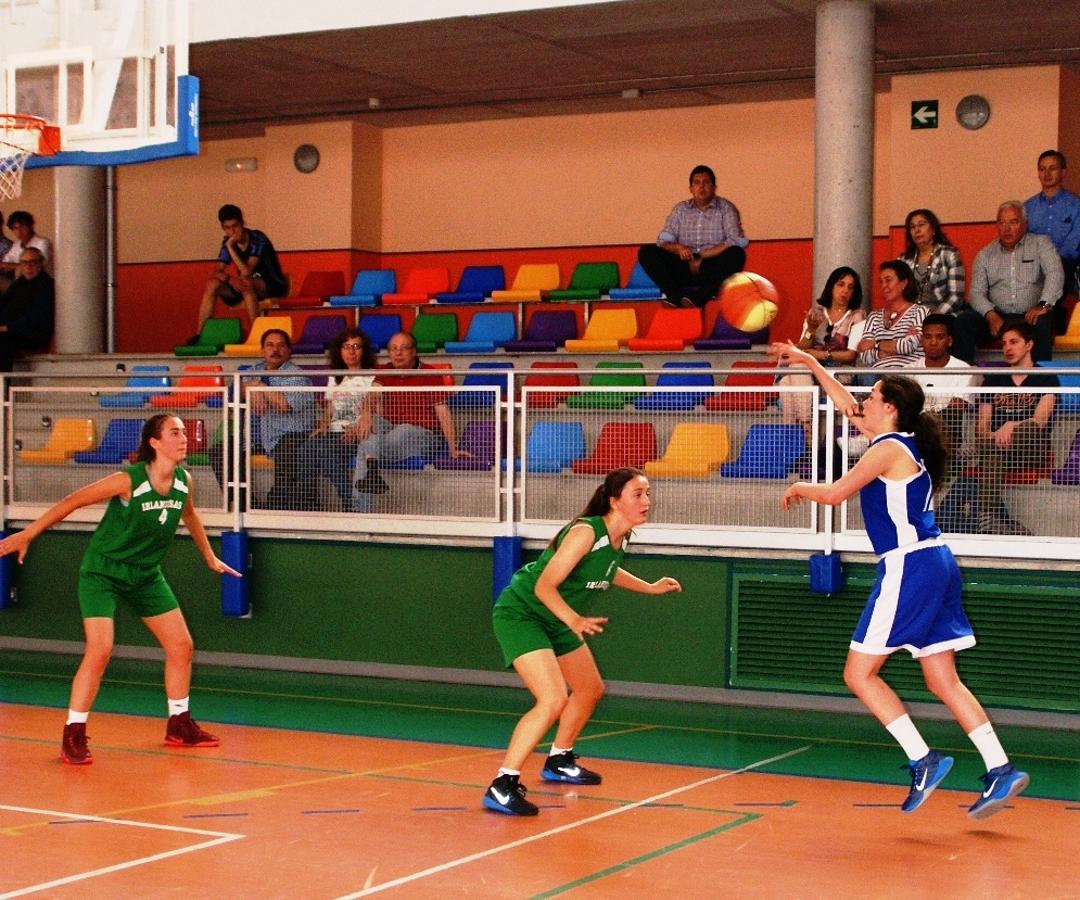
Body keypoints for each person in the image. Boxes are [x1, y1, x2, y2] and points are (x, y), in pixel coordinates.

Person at [772, 342, 1029, 820]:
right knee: (942, 678)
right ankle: (1000, 768)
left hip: (908, 565)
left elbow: (834, 494)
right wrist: (808, 362)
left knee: (858, 673)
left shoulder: (887, 450)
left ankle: (923, 759)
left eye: (871, 396)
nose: (862, 401)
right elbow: (840, 399)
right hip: (936, 562)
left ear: (889, 408)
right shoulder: (895, 442)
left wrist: (799, 486)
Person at [0, 414, 241, 764]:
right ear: (155, 443)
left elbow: (189, 515)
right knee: (100, 650)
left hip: (144, 574)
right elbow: (73, 501)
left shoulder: (184, 481)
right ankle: (73, 733)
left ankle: (179, 723)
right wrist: (28, 533)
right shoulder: (127, 480)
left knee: (181, 646)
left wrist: (209, 556)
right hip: (103, 571)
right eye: (175, 433)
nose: (184, 438)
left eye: (185, 433)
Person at [483, 468, 682, 816]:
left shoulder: (622, 536)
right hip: (524, 613)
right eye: (638, 494)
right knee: (552, 699)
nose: (647, 501)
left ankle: (559, 759)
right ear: (614, 501)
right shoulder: (586, 531)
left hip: (559, 616)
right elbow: (545, 586)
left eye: (648, 493)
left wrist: (649, 587)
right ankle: (503, 784)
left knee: (590, 689)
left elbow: (606, 569)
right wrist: (573, 619)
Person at [352, 332, 470, 512]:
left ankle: (370, 464)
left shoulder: (430, 374)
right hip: (390, 431)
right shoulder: (384, 372)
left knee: (389, 436)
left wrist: (452, 448)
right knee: (371, 424)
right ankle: (362, 510)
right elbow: (372, 396)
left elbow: (443, 412)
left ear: (414, 351)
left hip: (424, 435)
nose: (398, 353)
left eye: (403, 348)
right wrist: (367, 414)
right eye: (393, 349)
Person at [209, 328, 315, 510]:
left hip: (290, 435)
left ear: (289, 351)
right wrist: (252, 386)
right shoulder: (254, 371)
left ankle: (276, 506)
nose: (275, 350)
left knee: (288, 451)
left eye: (281, 346)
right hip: (255, 437)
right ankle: (243, 505)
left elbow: (284, 407)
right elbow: (231, 394)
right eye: (270, 345)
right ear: (262, 350)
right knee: (220, 451)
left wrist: (260, 388)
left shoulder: (297, 376)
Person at [973, 319, 1057, 535]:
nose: (1007, 348)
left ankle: (992, 519)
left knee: (1028, 430)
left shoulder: (1046, 378)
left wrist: (1011, 425)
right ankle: (989, 521)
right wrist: (993, 435)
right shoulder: (993, 380)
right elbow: (982, 427)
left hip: (1031, 448)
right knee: (990, 449)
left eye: (1014, 342)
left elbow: (1040, 420)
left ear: (1029, 345)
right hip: (997, 449)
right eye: (1003, 343)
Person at [953, 201, 1063, 364]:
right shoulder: (985, 254)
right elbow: (976, 293)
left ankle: (1041, 380)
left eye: (1013, 222)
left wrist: (1043, 305)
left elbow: (1055, 274)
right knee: (963, 322)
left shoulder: (1041, 244)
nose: (1007, 228)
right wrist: (990, 315)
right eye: (1002, 223)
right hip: (999, 315)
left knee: (1042, 321)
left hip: (1030, 314)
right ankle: (962, 380)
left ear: (1025, 224)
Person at [637, 164, 748, 308]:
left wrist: (703, 255)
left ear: (714, 187)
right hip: (683, 265)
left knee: (736, 254)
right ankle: (675, 297)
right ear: (690, 189)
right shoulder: (681, 209)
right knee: (647, 251)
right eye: (697, 183)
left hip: (710, 266)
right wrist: (678, 248)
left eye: (706, 182)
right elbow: (663, 241)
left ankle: (697, 299)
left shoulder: (726, 208)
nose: (701, 187)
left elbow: (735, 240)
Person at [778, 266, 865, 435]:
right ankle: (803, 435)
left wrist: (821, 354)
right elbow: (801, 349)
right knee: (787, 380)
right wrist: (810, 329)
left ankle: (804, 434)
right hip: (809, 372)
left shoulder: (857, 315)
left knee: (793, 375)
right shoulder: (816, 314)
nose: (845, 291)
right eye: (841, 285)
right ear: (831, 287)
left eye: (850, 287)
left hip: (838, 375)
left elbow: (850, 355)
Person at [300, 327, 377, 510]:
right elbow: (329, 408)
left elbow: (375, 410)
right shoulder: (335, 378)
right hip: (332, 431)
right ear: (339, 350)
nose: (351, 351)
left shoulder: (372, 377)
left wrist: (357, 427)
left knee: (326, 451)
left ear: (364, 350)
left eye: (356, 346)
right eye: (346, 346)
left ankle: (349, 504)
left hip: (355, 434)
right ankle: (310, 504)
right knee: (306, 449)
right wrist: (324, 424)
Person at [194, 204, 287, 336]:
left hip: (272, 284)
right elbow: (217, 271)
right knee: (212, 283)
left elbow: (246, 271)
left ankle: (258, 335)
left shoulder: (257, 238)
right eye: (227, 228)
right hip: (245, 286)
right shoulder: (227, 242)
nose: (233, 231)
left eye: (235, 226)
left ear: (242, 223)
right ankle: (200, 335)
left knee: (246, 283)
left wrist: (231, 247)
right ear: (223, 228)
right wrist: (230, 279)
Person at [910, 314, 977, 463]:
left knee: (949, 414)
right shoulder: (908, 370)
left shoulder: (963, 369)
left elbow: (957, 408)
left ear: (950, 341)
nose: (933, 342)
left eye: (939, 337)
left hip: (948, 437)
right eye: (928, 337)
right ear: (922, 340)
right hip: (915, 431)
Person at [1024, 150, 1080, 306]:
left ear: (1063, 172)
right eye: (1042, 169)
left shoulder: (1076, 206)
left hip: (1066, 265)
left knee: (1057, 272)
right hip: (1034, 267)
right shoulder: (1027, 208)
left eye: (1052, 168)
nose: (1046, 173)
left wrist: (1051, 262)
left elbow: (1073, 245)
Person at [855, 260, 928, 375]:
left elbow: (908, 346)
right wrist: (880, 353)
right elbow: (864, 354)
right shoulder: (874, 317)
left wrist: (876, 344)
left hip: (909, 375)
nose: (884, 286)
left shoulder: (919, 311)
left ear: (904, 283)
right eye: (881, 282)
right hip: (877, 376)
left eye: (888, 280)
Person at [898, 208, 966, 314]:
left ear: (933, 229)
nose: (917, 230)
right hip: (910, 317)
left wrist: (933, 317)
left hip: (942, 315)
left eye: (921, 224)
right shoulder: (903, 261)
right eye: (912, 227)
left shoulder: (949, 255)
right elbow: (898, 297)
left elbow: (956, 297)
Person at [0, 247, 55, 371]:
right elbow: (4, 305)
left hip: (31, 334)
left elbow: (37, 318)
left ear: (41, 263)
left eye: (33, 262)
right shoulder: (19, 284)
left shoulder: (47, 286)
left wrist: (6, 328)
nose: (28, 267)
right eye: (24, 263)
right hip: (11, 330)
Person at [0, 210, 52, 292]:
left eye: (22, 226)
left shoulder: (42, 242)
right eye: (15, 228)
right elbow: (4, 264)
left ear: (31, 226)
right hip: (18, 283)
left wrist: (17, 266)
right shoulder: (16, 245)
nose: (19, 231)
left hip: (40, 284)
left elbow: (39, 265)